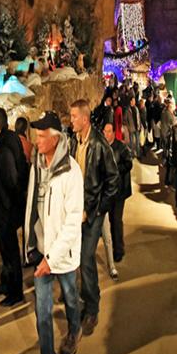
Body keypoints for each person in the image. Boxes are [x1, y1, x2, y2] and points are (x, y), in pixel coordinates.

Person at [23, 112, 84, 354]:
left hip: (62, 253)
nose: (36, 140)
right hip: (41, 252)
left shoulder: (71, 172)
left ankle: (75, 328)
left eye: (41, 135)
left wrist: (53, 257)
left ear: (55, 138)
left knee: (71, 297)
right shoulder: (37, 166)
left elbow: (73, 221)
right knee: (43, 314)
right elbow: (33, 207)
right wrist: (31, 245)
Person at [69, 99, 119, 336]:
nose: (71, 121)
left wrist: (99, 210)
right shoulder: (74, 142)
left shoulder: (98, 144)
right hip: (77, 210)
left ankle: (92, 308)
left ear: (85, 119)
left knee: (86, 257)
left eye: (74, 117)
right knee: (78, 259)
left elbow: (113, 180)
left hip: (93, 211)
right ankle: (86, 298)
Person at [0, 107, 29, 307]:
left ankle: (15, 291)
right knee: (7, 248)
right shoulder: (12, 138)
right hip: (12, 205)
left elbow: (11, 178)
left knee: (10, 249)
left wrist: (8, 200)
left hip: (7, 207)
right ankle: (7, 283)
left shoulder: (4, 146)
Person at [103, 123, 133, 263]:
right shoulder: (102, 147)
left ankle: (118, 250)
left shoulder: (121, 147)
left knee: (116, 220)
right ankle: (112, 247)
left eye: (109, 131)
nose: (106, 134)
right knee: (108, 221)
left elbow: (129, 164)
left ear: (114, 133)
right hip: (107, 191)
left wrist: (114, 169)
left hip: (119, 191)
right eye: (105, 131)